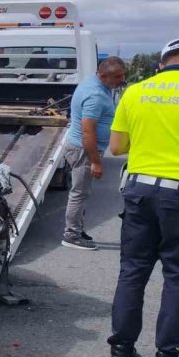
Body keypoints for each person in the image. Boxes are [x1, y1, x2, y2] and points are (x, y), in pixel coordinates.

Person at [107, 37, 179, 357]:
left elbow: (116, 147)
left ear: (161, 63)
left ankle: (122, 348)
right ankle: (169, 356)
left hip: (139, 190)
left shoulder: (136, 92)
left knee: (133, 270)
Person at [61, 56, 127, 250]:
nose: (121, 80)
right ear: (103, 75)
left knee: (83, 192)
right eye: (117, 77)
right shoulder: (95, 95)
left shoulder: (95, 82)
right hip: (83, 150)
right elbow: (87, 131)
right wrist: (96, 161)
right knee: (79, 193)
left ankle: (77, 228)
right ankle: (71, 235)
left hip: (82, 148)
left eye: (123, 75)